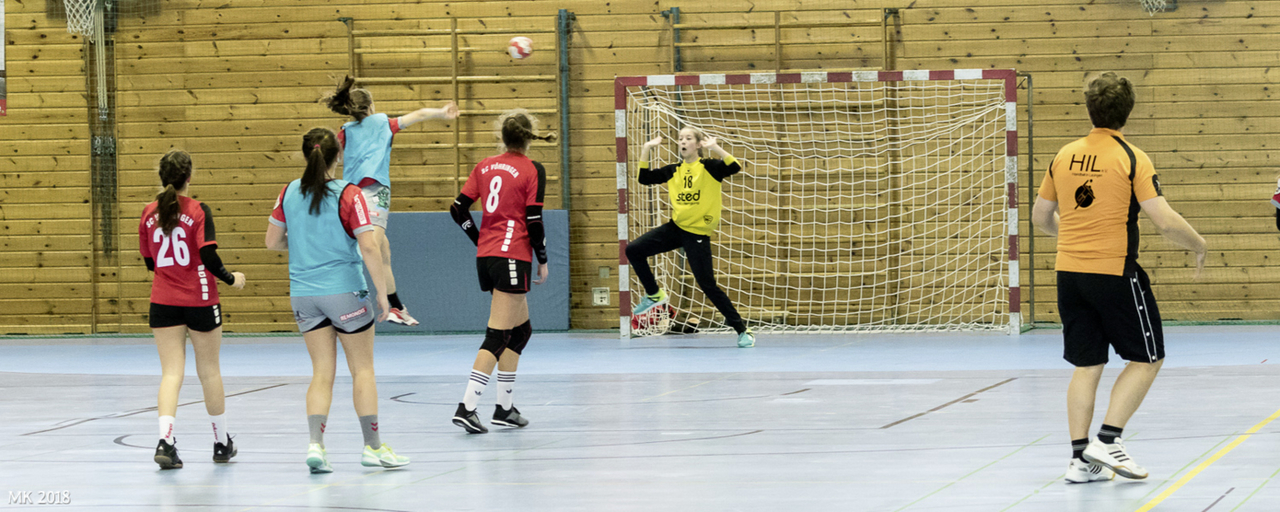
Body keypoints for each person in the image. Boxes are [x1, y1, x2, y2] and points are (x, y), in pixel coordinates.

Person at [1032, 72, 1206, 483]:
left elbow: (1041, 216)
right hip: (1113, 272)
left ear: (1089, 108)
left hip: (1068, 273)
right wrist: (1198, 244)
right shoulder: (1131, 157)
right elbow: (1163, 220)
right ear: (1127, 111)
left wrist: (1075, 237)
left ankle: (1080, 460)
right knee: (1148, 358)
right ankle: (1108, 442)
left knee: (1087, 364)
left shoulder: (1064, 155)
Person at [265, 127, 409, 473]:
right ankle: (373, 448)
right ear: (338, 157)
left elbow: (272, 242)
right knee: (362, 370)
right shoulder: (350, 194)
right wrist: (384, 295)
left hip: (303, 295)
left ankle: (316, 445)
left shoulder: (288, 193)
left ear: (305, 155)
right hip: (345, 292)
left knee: (321, 373)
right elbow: (369, 245)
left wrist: (301, 245)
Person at [448, 110, 554, 433]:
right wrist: (543, 258)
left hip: (488, 256)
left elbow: (457, 209)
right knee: (497, 336)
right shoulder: (532, 169)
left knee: (520, 332)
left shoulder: (485, 165)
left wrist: (478, 236)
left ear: (503, 137)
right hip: (512, 257)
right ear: (528, 136)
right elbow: (534, 221)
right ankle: (466, 407)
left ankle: (504, 408)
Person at [323, 76, 459, 326]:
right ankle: (360, 296)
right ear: (371, 106)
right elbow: (417, 114)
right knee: (369, 247)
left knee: (383, 249)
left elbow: (333, 157)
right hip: (375, 192)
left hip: (350, 194)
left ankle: (396, 305)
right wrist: (441, 111)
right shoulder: (383, 123)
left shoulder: (345, 131)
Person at [138, 150, 245, 470]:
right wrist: (231, 279)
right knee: (209, 371)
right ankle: (221, 443)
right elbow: (208, 255)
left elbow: (149, 262)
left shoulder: (147, 212)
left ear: (161, 176)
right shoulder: (198, 210)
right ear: (189, 177)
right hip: (199, 300)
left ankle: (165, 442)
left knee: (171, 373)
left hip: (163, 301)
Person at [626, 127, 756, 348]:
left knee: (707, 284)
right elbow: (644, 178)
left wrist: (714, 147)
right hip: (676, 227)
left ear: (697, 144)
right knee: (633, 250)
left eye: (688, 138)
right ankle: (654, 295)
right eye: (680, 139)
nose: (683, 142)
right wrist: (647, 148)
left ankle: (742, 330)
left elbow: (734, 166)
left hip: (697, 234)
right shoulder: (674, 170)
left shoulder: (709, 167)